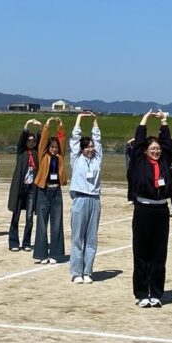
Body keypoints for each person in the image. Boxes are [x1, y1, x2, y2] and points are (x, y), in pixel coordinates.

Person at [129, 109, 172, 307]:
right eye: (152, 149)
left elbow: (168, 145)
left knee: (159, 254)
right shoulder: (139, 161)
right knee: (141, 253)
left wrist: (164, 123)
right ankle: (142, 293)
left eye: (158, 149)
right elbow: (139, 142)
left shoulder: (164, 160)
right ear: (146, 151)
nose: (156, 151)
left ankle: (156, 293)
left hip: (161, 211)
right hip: (143, 210)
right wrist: (144, 120)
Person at [69, 112, 103, 284]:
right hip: (80, 199)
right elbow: (75, 139)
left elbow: (98, 140)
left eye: (92, 146)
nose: (91, 149)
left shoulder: (97, 159)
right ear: (82, 149)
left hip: (94, 199)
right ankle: (76, 272)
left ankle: (87, 271)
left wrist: (95, 121)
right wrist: (79, 119)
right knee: (77, 237)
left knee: (91, 238)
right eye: (87, 147)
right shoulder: (76, 159)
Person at [33, 116, 67, 265]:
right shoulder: (43, 155)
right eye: (52, 147)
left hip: (56, 192)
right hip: (44, 191)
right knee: (42, 224)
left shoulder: (60, 156)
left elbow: (62, 140)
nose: (54, 149)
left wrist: (60, 126)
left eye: (56, 147)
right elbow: (42, 141)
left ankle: (55, 254)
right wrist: (47, 125)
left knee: (57, 223)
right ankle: (41, 254)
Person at [7, 119, 42, 252]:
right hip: (20, 188)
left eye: (33, 141)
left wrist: (39, 128)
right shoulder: (21, 152)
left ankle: (26, 242)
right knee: (16, 215)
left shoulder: (36, 153)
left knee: (29, 217)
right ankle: (13, 242)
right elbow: (21, 140)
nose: (31, 142)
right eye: (29, 140)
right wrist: (27, 125)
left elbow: (42, 141)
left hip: (32, 189)